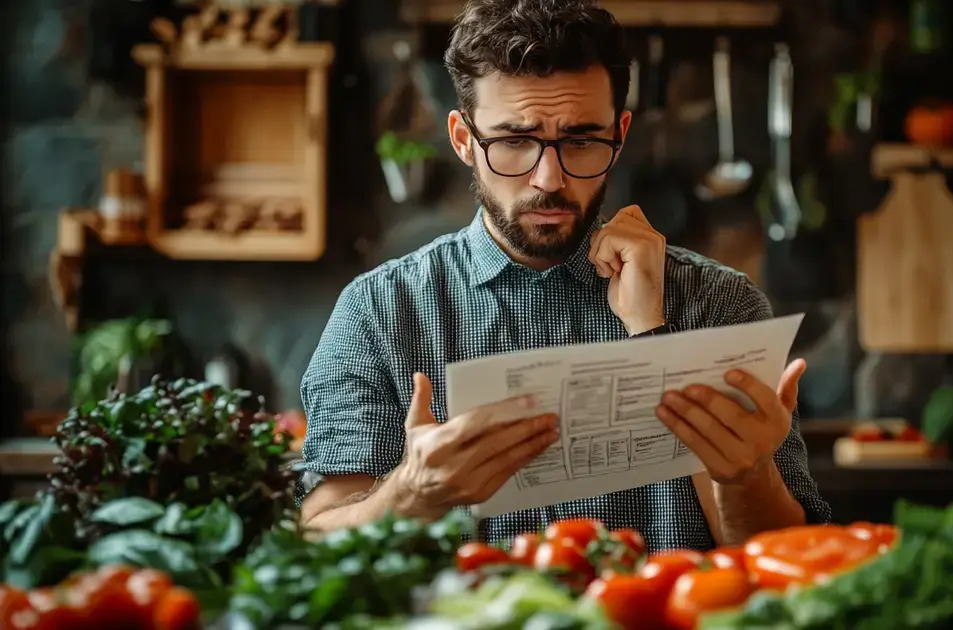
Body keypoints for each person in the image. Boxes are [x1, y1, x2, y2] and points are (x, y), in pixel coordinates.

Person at [297, 0, 830, 552]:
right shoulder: (380, 310)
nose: (548, 179)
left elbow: (783, 561)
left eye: (580, 140)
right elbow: (314, 538)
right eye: (514, 141)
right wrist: (412, 492)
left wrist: (742, 469)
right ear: (462, 140)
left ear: (619, 135)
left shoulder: (721, 303)